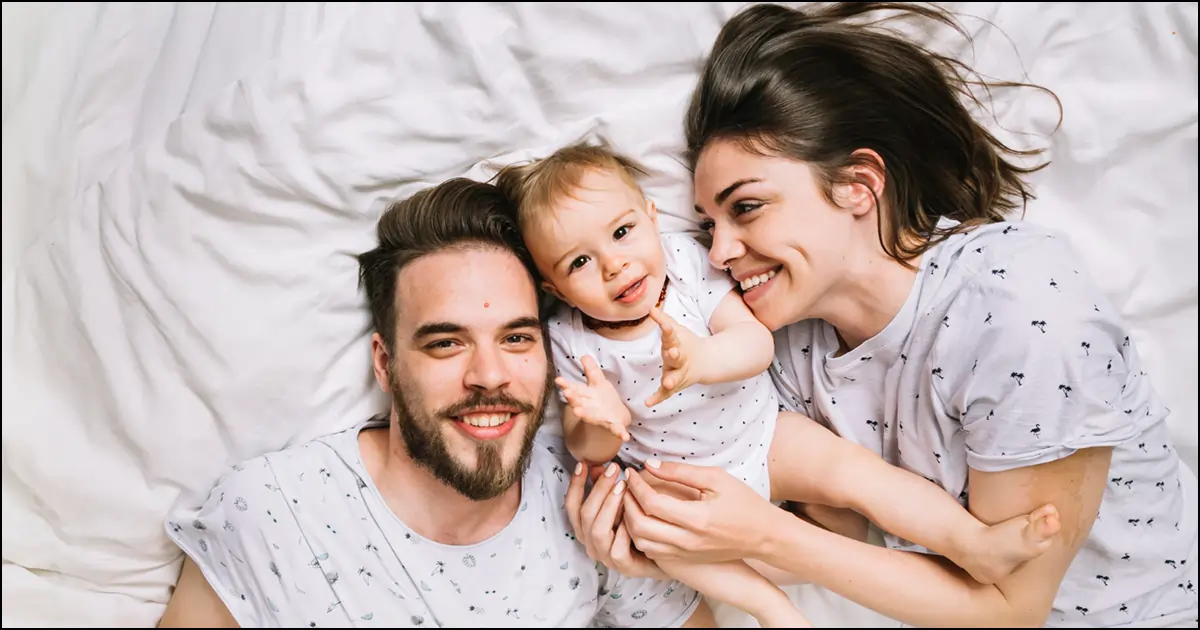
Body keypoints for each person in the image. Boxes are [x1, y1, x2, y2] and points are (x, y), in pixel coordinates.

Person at [569, 3, 1200, 628]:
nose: (721, 251)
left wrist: (763, 537)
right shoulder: (786, 349)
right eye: (710, 224)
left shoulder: (1018, 303)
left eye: (748, 208)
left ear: (858, 184)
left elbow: (1013, 608)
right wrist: (665, 554)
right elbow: (841, 543)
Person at [493, 140, 1063, 628]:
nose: (615, 265)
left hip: (764, 435)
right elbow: (586, 447)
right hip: (678, 480)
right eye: (579, 264)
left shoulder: (687, 269)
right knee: (654, 534)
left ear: (650, 217)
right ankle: (773, 609)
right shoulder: (568, 338)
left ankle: (970, 543)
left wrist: (703, 360)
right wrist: (599, 424)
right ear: (556, 288)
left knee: (856, 474)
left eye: (622, 232)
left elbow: (755, 344)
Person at [156, 178, 716, 628]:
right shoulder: (271, 510)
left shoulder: (592, 507)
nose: (490, 376)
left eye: (517, 338)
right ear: (385, 363)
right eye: (446, 343)